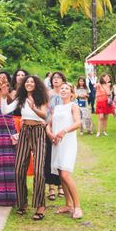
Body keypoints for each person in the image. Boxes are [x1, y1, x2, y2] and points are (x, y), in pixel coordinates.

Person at [2, 75, 49, 221]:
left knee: (39, 170)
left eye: (32, 82)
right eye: (27, 82)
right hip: (25, 131)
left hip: (39, 132)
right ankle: (22, 203)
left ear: (37, 85)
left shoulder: (41, 97)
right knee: (19, 170)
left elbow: (44, 116)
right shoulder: (20, 99)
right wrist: (4, 96)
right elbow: (5, 111)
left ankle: (40, 205)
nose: (29, 84)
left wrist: (34, 107)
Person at [50, 83, 83, 219]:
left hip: (68, 142)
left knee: (65, 174)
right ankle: (68, 204)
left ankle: (77, 207)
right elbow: (49, 124)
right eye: (62, 88)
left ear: (71, 93)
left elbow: (78, 123)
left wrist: (64, 131)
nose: (63, 90)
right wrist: (51, 135)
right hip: (57, 143)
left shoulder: (73, 106)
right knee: (59, 172)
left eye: (66, 89)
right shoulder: (56, 107)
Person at [0, 71, 18, 207]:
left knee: (10, 163)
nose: (1, 80)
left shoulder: (11, 95)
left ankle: (13, 196)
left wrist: (5, 92)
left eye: (4, 78)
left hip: (8, 132)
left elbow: (12, 105)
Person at [45, 71, 65, 201]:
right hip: (49, 127)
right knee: (49, 157)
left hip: (62, 129)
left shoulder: (66, 94)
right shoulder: (47, 94)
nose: (56, 80)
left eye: (59, 78)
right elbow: (44, 110)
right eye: (54, 78)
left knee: (61, 158)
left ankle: (61, 186)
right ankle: (51, 187)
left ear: (63, 80)